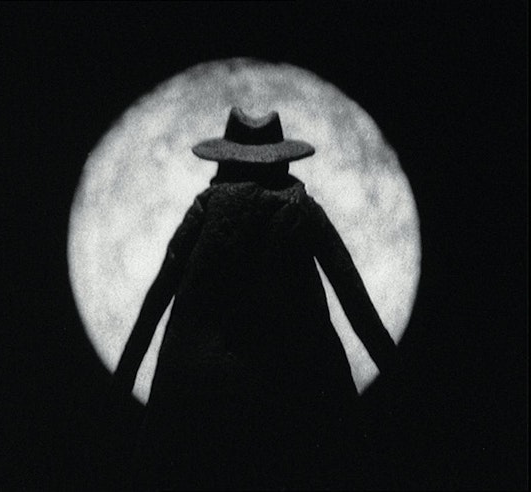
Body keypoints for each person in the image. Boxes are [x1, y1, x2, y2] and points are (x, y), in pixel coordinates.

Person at [113, 107, 398, 490]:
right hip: (297, 389)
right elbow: (352, 293)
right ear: (282, 159)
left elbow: (158, 296)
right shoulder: (300, 209)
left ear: (225, 159)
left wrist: (121, 384)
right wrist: (396, 371)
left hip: (201, 392)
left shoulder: (205, 209)